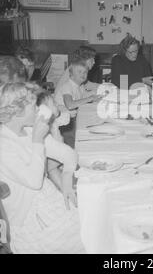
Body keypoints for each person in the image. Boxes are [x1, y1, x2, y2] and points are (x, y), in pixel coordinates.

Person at [0, 82, 84, 253]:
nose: (39, 110)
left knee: (94, 217)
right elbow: (34, 181)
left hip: (47, 201)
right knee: (88, 234)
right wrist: (38, 140)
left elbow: (69, 154)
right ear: (17, 111)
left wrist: (66, 182)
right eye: (33, 107)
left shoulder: (28, 131)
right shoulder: (4, 145)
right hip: (29, 218)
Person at [54, 60, 102, 148]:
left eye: (85, 72)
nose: (83, 74)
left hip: (72, 118)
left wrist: (96, 94)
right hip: (64, 123)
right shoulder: (67, 86)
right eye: (79, 72)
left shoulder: (80, 86)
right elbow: (70, 105)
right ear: (71, 74)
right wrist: (90, 98)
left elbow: (83, 96)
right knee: (74, 144)